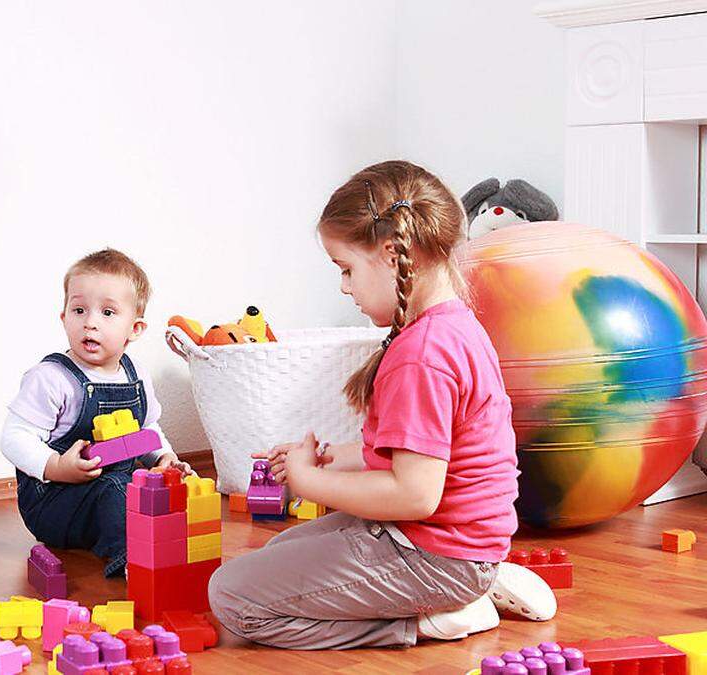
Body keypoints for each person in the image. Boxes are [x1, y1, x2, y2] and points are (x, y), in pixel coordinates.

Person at [207, 160, 554, 649]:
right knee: (282, 550)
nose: (345, 287)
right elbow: (413, 454)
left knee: (234, 598)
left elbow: (414, 495)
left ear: (392, 255)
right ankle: (469, 586)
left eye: (346, 269)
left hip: (436, 554)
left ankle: (432, 618)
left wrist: (310, 481)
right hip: (455, 545)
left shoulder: (422, 355)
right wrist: (329, 457)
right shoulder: (453, 326)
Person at [1, 249, 191, 577]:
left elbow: (148, 429)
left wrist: (163, 458)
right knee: (118, 492)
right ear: (64, 318)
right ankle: (133, 561)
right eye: (78, 310)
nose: (90, 322)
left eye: (107, 312)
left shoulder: (137, 376)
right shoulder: (52, 378)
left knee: (150, 487)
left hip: (111, 489)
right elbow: (13, 438)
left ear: (135, 328)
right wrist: (57, 466)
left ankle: (167, 548)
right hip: (54, 500)